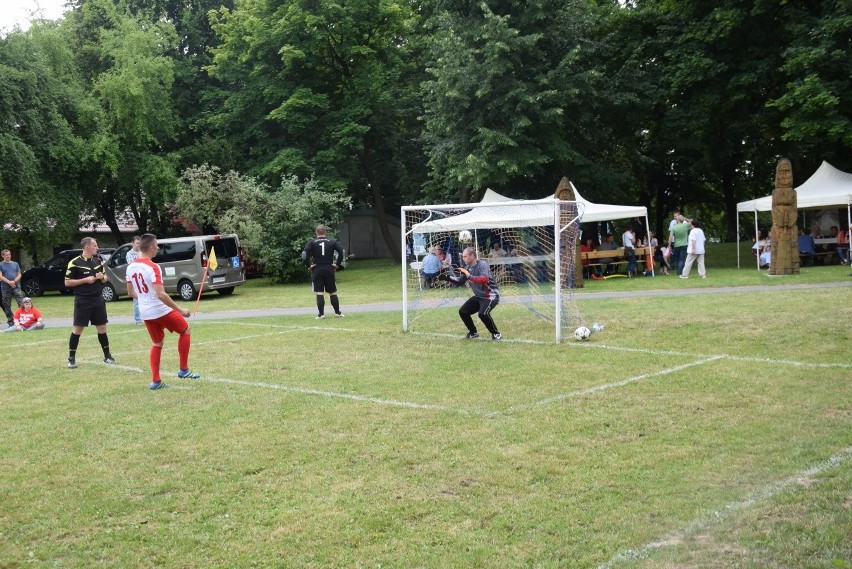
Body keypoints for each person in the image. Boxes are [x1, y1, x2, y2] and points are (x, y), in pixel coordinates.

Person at [127, 233, 200, 390]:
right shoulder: (153, 267)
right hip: (159, 309)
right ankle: (183, 370)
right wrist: (180, 310)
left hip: (145, 311)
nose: (158, 248)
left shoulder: (131, 266)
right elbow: (161, 294)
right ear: (152, 247)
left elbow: (131, 293)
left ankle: (156, 381)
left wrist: (144, 299)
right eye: (157, 245)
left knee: (157, 343)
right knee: (185, 330)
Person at [64, 237, 115, 369]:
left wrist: (102, 277)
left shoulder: (98, 261)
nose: (96, 248)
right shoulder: (74, 262)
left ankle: (107, 356)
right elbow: (67, 282)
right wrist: (85, 280)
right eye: (94, 245)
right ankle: (71, 359)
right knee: (77, 329)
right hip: (83, 300)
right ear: (87, 247)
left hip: (98, 299)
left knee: (102, 328)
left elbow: (105, 278)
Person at [441, 246, 501, 340]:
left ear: (472, 256)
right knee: (463, 311)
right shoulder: (467, 267)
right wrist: (447, 277)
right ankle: (473, 333)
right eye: (463, 257)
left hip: (490, 296)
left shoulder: (482, 264)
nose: (463, 259)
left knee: (483, 314)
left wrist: (469, 276)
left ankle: (496, 334)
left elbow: (484, 279)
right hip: (479, 296)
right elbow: (460, 281)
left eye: (465, 256)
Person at [302, 224, 345, 319]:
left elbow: (304, 254)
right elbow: (342, 252)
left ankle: (321, 314)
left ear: (316, 232)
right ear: (325, 232)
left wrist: (309, 266)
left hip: (317, 269)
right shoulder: (332, 241)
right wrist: (337, 264)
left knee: (319, 292)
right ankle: (337, 313)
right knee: (333, 292)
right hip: (329, 269)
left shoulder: (312, 242)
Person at [1, 249, 24, 330]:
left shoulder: (15, 264)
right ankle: (11, 321)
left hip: (16, 287)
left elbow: (19, 274)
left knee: (21, 303)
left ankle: (21, 320)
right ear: (3, 256)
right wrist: (8, 282)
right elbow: (0, 276)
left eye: (9, 254)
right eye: (6, 255)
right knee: (7, 305)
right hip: (5, 288)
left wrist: (14, 281)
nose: (8, 256)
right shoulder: (1, 265)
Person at [125, 236, 143, 324]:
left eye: (140, 243)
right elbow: (132, 265)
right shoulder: (129, 254)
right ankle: (138, 320)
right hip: (134, 279)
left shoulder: (143, 252)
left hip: (143, 278)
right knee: (136, 299)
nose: (139, 245)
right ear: (132, 243)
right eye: (137, 243)